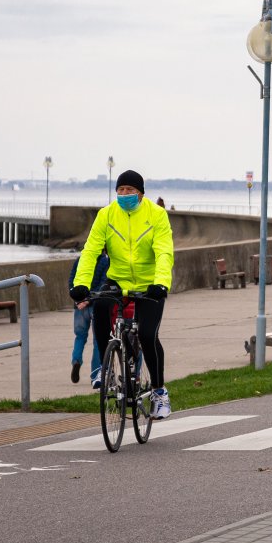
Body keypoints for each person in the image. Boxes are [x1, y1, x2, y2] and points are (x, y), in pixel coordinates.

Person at [71, 169, 175, 419]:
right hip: (117, 280)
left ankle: (160, 392)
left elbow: (164, 252)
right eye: (120, 190)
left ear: (140, 193)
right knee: (100, 309)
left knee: (149, 335)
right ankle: (108, 365)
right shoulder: (106, 215)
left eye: (129, 190)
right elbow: (90, 251)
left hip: (149, 284)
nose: (124, 194)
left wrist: (161, 283)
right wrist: (80, 284)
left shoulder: (157, 215)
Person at [68, 247, 108, 384]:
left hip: (79, 305)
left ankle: (76, 360)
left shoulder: (80, 260)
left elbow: (72, 280)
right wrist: (88, 300)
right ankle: (95, 375)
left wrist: (77, 299)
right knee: (98, 340)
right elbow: (104, 284)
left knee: (80, 336)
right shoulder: (104, 262)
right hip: (95, 304)